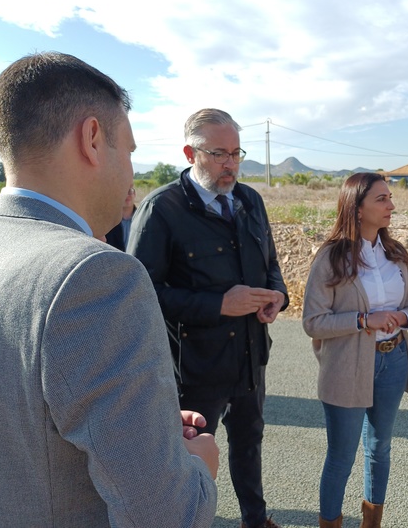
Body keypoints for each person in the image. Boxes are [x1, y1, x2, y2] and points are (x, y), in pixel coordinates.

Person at [0, 52, 219, 526]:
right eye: (130, 151)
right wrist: (199, 465)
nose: (132, 174)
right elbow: (167, 514)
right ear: (93, 139)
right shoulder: (95, 275)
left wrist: (143, 429)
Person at [127, 108, 288, 528]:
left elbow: (270, 264)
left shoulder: (249, 200)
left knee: (249, 443)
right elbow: (140, 294)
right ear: (190, 152)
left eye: (236, 152)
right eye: (219, 153)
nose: (231, 163)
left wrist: (278, 297)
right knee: (191, 457)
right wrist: (218, 305)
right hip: (195, 367)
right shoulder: (162, 209)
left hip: (250, 356)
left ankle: (256, 519)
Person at [302, 172, 408, 528]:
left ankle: (371, 524)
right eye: (381, 199)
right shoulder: (330, 258)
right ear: (356, 208)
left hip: (395, 359)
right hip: (346, 367)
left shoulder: (396, 254)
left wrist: (400, 317)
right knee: (341, 457)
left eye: (390, 197)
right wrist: (362, 321)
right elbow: (313, 321)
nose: (391, 205)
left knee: (380, 449)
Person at [106, 186, 137, 250]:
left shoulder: (142, 219)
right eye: (124, 192)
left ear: (134, 194)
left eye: (130, 191)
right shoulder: (108, 221)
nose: (127, 195)